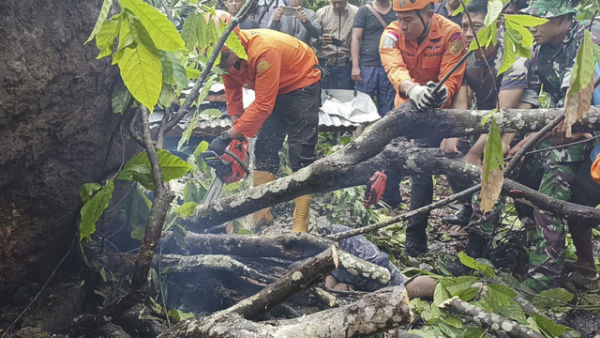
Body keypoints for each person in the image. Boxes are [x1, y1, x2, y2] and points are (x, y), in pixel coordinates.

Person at [515, 0, 600, 290]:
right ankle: (533, 241)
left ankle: (544, 274)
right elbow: (535, 96)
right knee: (518, 172)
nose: (533, 27)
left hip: (585, 130)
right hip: (559, 129)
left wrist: (532, 139)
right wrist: (519, 140)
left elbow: (574, 109)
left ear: (565, 21)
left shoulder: (588, 39)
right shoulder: (540, 51)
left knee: (551, 190)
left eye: (541, 20)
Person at [208, 17, 322, 234]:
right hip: (271, 87)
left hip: (301, 81)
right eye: (218, 60)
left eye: (224, 57)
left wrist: (225, 137)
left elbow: (262, 106)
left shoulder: (263, 51)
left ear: (236, 41)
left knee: (301, 150)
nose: (223, 64)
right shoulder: (227, 61)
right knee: (265, 147)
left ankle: (300, 222)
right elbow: (233, 92)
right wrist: (236, 132)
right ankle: (261, 214)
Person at [379, 0, 466, 256]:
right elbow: (393, 67)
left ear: (429, 15)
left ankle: (415, 239)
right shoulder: (392, 34)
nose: (403, 25)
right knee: (389, 157)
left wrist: (438, 94)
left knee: (421, 170)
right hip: (405, 105)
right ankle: (390, 204)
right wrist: (412, 88)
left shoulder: (451, 34)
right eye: (399, 18)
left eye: (409, 20)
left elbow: (453, 75)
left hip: (436, 111)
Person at [440, 0, 531, 231]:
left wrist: (474, 152)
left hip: (512, 128)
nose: (468, 34)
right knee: (448, 150)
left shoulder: (514, 59)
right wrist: (453, 133)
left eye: (476, 27)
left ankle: (479, 236)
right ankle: (467, 206)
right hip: (481, 122)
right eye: (465, 27)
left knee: (491, 164)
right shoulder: (469, 55)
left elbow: (504, 114)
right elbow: (462, 94)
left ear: (496, 25)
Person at [351, 0, 397, 116]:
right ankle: (360, 134)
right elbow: (356, 39)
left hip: (389, 66)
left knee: (389, 108)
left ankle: (387, 133)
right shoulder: (364, 11)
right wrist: (355, 66)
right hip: (367, 66)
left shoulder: (396, 11)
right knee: (361, 107)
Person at [316, 0, 358, 89]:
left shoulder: (356, 13)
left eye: (340, 3)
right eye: (334, 2)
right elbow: (311, 38)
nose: (337, 6)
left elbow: (359, 40)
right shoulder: (321, 13)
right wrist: (320, 40)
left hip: (345, 65)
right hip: (324, 63)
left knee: (344, 99)